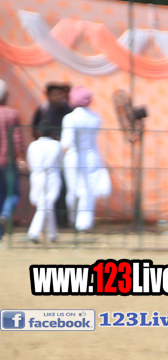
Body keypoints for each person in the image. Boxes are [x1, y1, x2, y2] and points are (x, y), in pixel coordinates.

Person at [60, 86, 111, 233]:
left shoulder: (70, 118)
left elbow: (66, 143)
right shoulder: (96, 118)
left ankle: (72, 220)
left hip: (73, 158)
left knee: (74, 191)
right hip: (92, 157)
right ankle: (84, 223)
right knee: (88, 191)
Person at [32, 81, 71, 228]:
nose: (58, 97)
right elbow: (34, 130)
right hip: (46, 155)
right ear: (48, 95)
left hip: (63, 155)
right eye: (54, 94)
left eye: (60, 94)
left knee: (63, 187)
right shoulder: (42, 110)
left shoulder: (67, 110)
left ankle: (62, 219)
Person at [26, 122, 63, 244]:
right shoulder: (56, 145)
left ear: (39, 132)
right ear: (53, 133)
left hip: (36, 176)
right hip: (52, 176)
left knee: (46, 205)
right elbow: (61, 163)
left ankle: (51, 234)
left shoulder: (33, 145)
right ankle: (34, 232)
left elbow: (30, 162)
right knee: (46, 205)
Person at [0, 80, 28, 235]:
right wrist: (21, 158)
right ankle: (5, 214)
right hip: (8, 161)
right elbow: (17, 139)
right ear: (6, 95)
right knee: (13, 193)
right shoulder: (12, 114)